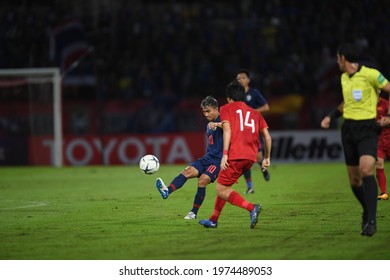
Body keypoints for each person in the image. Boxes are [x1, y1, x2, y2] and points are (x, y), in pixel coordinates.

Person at [321, 42, 390, 237]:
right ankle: (366, 210)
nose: (336, 61)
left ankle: (372, 221)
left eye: (337, 58)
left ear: (343, 58)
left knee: (367, 169)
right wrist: (331, 116)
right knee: (354, 180)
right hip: (348, 129)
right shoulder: (343, 78)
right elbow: (346, 103)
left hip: (368, 128)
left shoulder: (371, 74)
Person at [198, 80, 272, 229]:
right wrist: (267, 158)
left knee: (221, 189)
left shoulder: (227, 108)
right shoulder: (255, 113)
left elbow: (227, 130)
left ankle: (252, 208)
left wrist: (225, 154)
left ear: (229, 98)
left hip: (236, 155)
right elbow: (267, 136)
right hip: (251, 157)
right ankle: (213, 219)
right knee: (224, 186)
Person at [155, 96, 223, 219]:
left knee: (202, 180)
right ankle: (167, 191)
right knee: (187, 172)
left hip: (218, 161)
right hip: (207, 158)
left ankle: (193, 212)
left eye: (208, 111)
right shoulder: (209, 124)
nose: (206, 114)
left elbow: (231, 128)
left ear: (216, 109)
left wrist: (217, 124)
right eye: (204, 112)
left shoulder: (223, 119)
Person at [236, 69, 270, 194]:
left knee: (258, 157)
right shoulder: (236, 95)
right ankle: (250, 186)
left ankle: (263, 168)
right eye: (238, 78)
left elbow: (266, 107)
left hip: (253, 130)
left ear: (248, 80)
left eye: (243, 77)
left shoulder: (254, 93)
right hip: (240, 131)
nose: (241, 80)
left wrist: (252, 112)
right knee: (244, 158)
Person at [376, 92, 390, 200]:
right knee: (379, 164)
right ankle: (384, 193)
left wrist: (387, 121)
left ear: (379, 90)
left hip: (389, 138)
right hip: (378, 140)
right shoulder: (368, 105)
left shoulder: (386, 104)